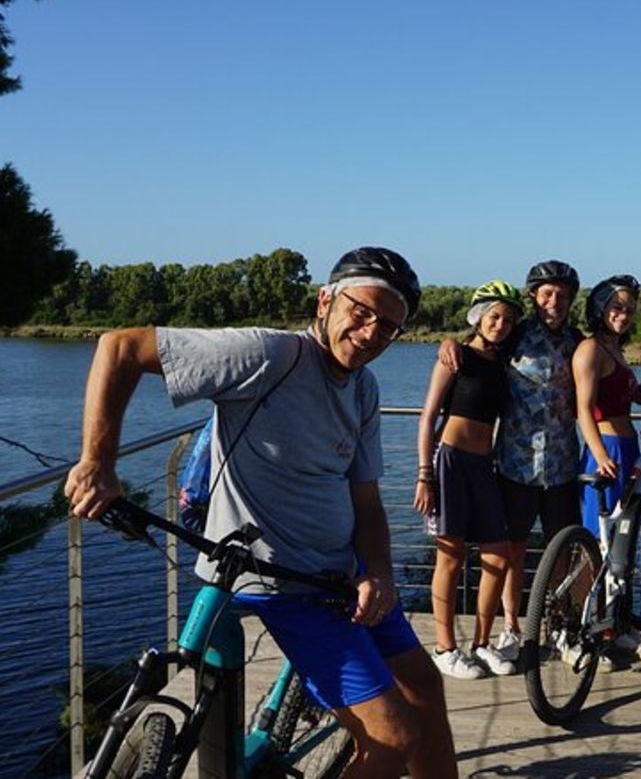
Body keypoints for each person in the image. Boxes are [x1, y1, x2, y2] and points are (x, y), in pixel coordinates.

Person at [65, 247, 458, 778]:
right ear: (326, 301)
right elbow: (120, 347)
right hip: (283, 582)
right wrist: (97, 462)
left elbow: (365, 500)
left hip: (344, 573)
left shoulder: (363, 389)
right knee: (393, 735)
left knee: (426, 686)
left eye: (387, 327)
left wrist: (382, 574)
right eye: (361, 313)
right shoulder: (270, 355)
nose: (370, 334)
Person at [437, 259, 583, 664]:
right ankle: (512, 628)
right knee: (513, 549)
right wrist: (449, 343)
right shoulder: (514, 335)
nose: (555, 300)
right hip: (515, 462)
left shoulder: (576, 340)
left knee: (564, 551)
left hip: (561, 463)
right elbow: (478, 343)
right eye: (547, 293)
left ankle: (561, 626)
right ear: (535, 296)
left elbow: (601, 373)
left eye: (563, 294)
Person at [415, 281, 522, 679]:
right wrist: (424, 474)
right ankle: (445, 648)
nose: (501, 325)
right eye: (494, 316)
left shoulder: (502, 362)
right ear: (478, 317)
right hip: (450, 461)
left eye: (508, 320)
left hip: (484, 466)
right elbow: (428, 418)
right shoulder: (454, 356)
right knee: (451, 556)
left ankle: (481, 642)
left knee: (497, 555)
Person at [572, 274, 641, 665]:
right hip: (606, 450)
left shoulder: (616, 350)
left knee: (622, 544)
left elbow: (625, 394)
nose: (624, 315)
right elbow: (583, 408)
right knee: (598, 544)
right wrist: (598, 453)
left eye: (629, 309)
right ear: (600, 309)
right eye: (616, 307)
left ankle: (618, 626)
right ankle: (587, 632)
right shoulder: (590, 349)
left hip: (627, 446)